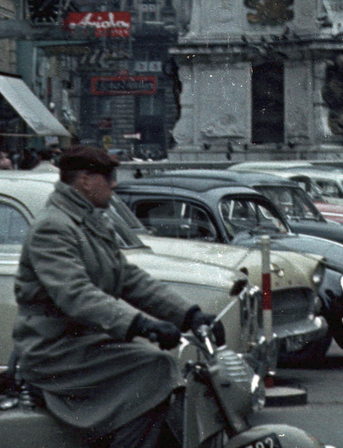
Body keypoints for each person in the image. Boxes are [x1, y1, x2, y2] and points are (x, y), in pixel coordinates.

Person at [12, 145, 214, 448]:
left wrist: (188, 314)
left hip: (83, 342)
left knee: (164, 372)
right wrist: (141, 324)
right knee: (156, 368)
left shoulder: (89, 222)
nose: (115, 184)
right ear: (85, 180)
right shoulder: (54, 227)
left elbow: (129, 279)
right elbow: (76, 294)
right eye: (109, 177)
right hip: (54, 348)